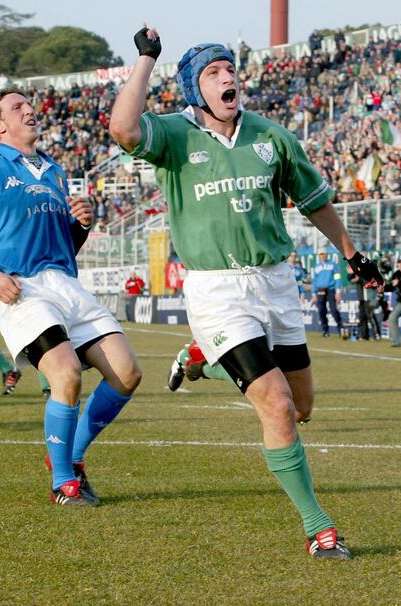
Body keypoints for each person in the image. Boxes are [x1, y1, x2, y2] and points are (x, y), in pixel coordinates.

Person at [110, 27, 383, 559]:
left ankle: (202, 358)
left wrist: (352, 253)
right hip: (218, 290)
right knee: (276, 404)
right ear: (194, 88)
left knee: (303, 408)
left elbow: (314, 201)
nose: (228, 77)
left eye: (230, 68)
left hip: (277, 284)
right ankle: (318, 527)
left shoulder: (272, 137)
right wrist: (146, 59)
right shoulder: (173, 135)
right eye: (213, 73)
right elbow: (123, 128)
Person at [0, 88, 142, 507]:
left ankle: (71, 457)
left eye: (30, 104)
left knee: (127, 372)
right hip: (23, 288)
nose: (30, 109)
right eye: (17, 107)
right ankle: (64, 483)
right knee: (66, 375)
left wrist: (80, 226)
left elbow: (64, 246)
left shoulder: (54, 171)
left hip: (67, 283)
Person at [311, 249, 344, 338]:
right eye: (320, 254)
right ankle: (325, 331)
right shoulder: (316, 266)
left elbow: (337, 278)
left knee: (333, 310)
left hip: (331, 289)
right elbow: (314, 281)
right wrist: (313, 293)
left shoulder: (333, 265)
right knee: (321, 311)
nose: (322, 256)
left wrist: (338, 292)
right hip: (320, 290)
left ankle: (341, 328)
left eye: (323, 254)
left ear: (327, 254)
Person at [346, 265, 381, 340]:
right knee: (362, 316)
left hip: (368, 297)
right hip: (361, 297)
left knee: (370, 316)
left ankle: (377, 334)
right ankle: (364, 335)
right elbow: (350, 278)